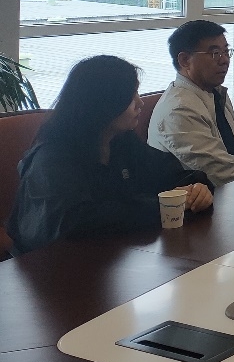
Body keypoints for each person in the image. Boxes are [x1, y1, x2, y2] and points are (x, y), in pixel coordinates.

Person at [6, 55, 213, 257]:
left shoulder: (120, 140)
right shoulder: (52, 158)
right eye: (130, 95)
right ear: (104, 102)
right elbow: (77, 221)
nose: (140, 103)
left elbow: (168, 172)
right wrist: (159, 206)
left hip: (110, 258)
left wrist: (196, 189)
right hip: (50, 266)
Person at [148, 20, 234, 185]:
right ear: (185, 60)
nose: (224, 60)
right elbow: (220, 172)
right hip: (205, 196)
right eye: (215, 53)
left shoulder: (216, 92)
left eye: (226, 51)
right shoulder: (179, 110)